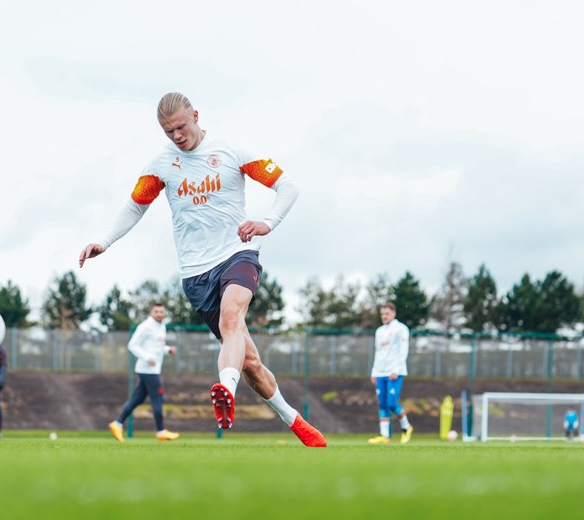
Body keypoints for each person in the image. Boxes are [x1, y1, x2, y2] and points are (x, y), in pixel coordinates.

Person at [80, 92, 326, 447]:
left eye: (181, 127)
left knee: (232, 318)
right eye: (169, 132)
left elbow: (287, 186)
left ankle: (225, 389)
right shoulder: (162, 164)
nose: (177, 136)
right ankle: (296, 422)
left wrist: (268, 223)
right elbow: (135, 207)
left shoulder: (231, 151)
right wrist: (104, 241)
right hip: (196, 273)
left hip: (238, 253)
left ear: (195, 115)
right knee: (251, 362)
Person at [108, 303, 180, 442]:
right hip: (148, 370)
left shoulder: (161, 326)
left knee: (137, 399)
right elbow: (132, 345)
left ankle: (117, 424)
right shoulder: (145, 326)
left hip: (152, 369)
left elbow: (156, 346)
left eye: (161, 311)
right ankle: (160, 431)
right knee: (158, 397)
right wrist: (147, 357)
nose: (159, 313)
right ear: (151, 313)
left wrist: (167, 350)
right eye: (156, 311)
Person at [368, 302, 414, 444]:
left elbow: (403, 350)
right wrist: (374, 372)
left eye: (387, 313)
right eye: (382, 314)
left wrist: (396, 369)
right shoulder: (379, 331)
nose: (384, 316)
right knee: (382, 404)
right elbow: (378, 352)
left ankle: (406, 427)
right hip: (380, 372)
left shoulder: (401, 329)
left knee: (392, 403)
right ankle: (385, 436)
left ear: (393, 313)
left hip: (395, 372)